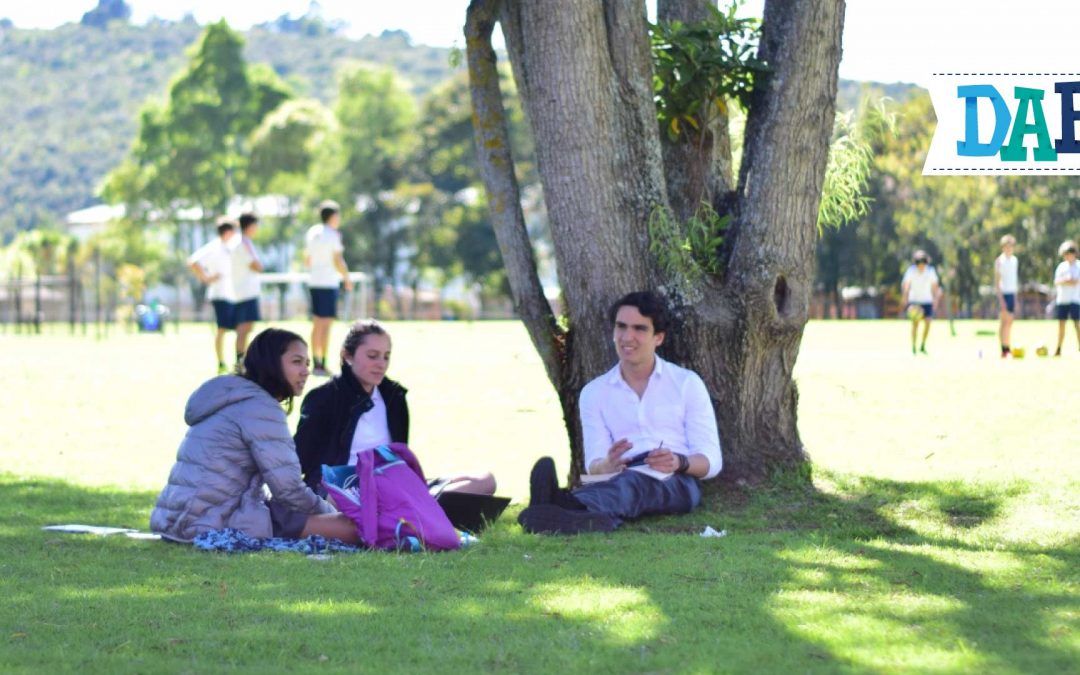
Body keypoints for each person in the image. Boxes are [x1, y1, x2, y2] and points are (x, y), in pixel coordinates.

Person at [518, 291, 722, 535]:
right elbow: (594, 464)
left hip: (676, 480)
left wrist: (679, 461)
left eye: (639, 329)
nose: (627, 337)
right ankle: (580, 518)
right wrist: (607, 464)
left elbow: (712, 461)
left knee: (632, 483)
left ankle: (560, 506)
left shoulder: (687, 383)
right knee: (613, 482)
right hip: (618, 477)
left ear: (658, 337)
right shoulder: (594, 392)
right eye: (621, 327)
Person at [150, 328, 359, 544]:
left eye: (307, 363)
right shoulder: (260, 407)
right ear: (271, 363)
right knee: (352, 529)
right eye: (297, 362)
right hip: (211, 522)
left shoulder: (233, 395)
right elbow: (288, 489)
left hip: (177, 519)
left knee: (319, 506)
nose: (306, 371)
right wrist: (328, 512)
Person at [294, 319, 496, 497]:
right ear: (348, 355)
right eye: (372, 356)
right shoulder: (323, 398)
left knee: (484, 481)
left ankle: (412, 510)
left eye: (386, 356)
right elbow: (302, 461)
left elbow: (400, 454)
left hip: (393, 485)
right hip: (345, 488)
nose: (381, 364)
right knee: (342, 500)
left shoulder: (394, 397)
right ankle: (414, 513)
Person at [305, 200, 352, 377]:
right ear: (333, 216)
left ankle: (314, 361)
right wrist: (346, 278)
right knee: (326, 326)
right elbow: (337, 260)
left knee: (317, 324)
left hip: (314, 282)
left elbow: (307, 259)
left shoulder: (312, 233)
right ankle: (321, 363)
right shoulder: (332, 235)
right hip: (328, 283)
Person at [188, 218, 238, 374]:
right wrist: (206, 278)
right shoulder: (214, 247)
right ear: (227, 231)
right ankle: (221, 361)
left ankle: (238, 361)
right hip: (219, 294)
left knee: (239, 328)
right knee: (222, 329)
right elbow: (193, 262)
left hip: (233, 295)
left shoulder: (231, 247)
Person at [232, 212, 264, 363]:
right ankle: (240, 360)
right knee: (243, 328)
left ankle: (242, 358)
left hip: (247, 291)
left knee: (247, 327)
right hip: (245, 292)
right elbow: (256, 265)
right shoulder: (243, 243)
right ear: (250, 226)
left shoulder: (245, 242)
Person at [901, 250, 940, 355]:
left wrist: (936, 299)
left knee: (928, 322)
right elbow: (906, 285)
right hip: (914, 301)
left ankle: (922, 345)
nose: (922, 267)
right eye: (920, 265)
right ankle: (914, 346)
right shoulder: (911, 271)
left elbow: (935, 286)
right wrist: (905, 297)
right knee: (915, 324)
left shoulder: (930, 271)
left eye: (923, 264)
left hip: (927, 301)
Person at [1053, 239, 1080, 356]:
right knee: (1061, 325)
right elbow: (1056, 281)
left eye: (1069, 254)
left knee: (1077, 324)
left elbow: (1075, 282)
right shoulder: (1061, 267)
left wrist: (1065, 281)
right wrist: (1067, 280)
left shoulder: (1078, 266)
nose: (1067, 256)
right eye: (1065, 254)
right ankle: (1058, 349)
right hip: (1062, 300)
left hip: (1075, 299)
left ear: (1074, 253)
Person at [994, 235, 1019, 358]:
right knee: (1004, 322)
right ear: (1003, 247)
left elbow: (1014, 281)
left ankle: (1007, 347)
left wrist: (1015, 298)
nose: (1009, 249)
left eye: (1011, 246)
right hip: (1003, 294)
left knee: (1010, 322)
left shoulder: (1014, 260)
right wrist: (1001, 299)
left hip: (1012, 294)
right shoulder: (999, 261)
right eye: (1006, 246)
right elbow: (997, 282)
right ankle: (1004, 349)